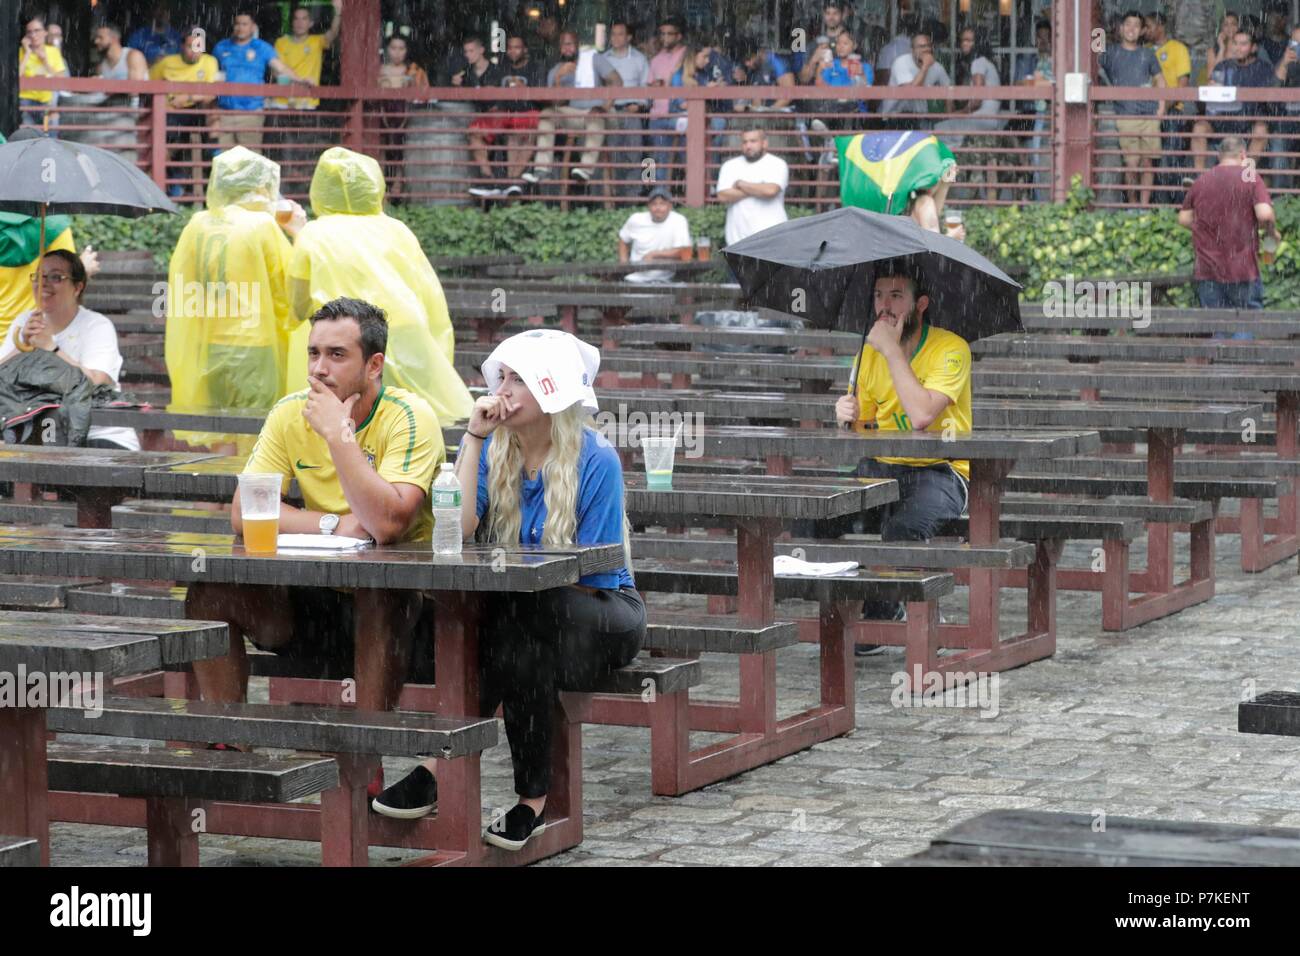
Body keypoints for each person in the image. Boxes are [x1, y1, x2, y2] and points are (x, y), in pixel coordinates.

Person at [373, 329, 643, 852]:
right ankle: (530, 803)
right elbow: (463, 526)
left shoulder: (597, 459)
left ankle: (439, 767)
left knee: (521, 623)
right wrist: (473, 438)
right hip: (532, 625)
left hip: (606, 613)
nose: (504, 389)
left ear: (551, 392)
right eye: (504, 377)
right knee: (516, 644)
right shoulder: (497, 450)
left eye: (519, 379)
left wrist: (524, 589)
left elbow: (597, 574)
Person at [187, 298, 443, 736]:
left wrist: (338, 435)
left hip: (408, 612)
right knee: (209, 593)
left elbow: (386, 525)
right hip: (313, 593)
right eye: (314, 353)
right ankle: (227, 744)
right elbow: (244, 511)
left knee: (378, 591)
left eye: (337, 355)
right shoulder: (289, 413)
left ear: (374, 364)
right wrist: (331, 523)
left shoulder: (409, 416)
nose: (319, 369)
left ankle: (366, 756)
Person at [829, 265, 971, 636]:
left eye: (896, 296)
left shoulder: (951, 348)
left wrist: (892, 351)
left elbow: (922, 415)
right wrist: (846, 417)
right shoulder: (868, 353)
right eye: (878, 296)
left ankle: (891, 618)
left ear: (920, 303)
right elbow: (863, 430)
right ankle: (834, 626)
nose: (884, 306)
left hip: (941, 469)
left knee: (903, 529)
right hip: (882, 464)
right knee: (818, 516)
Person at [287, 147, 473, 427]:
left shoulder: (313, 234)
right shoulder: (397, 230)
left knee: (351, 420)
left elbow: (299, 306)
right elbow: (428, 294)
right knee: (406, 419)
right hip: (406, 336)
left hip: (348, 344)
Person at [165, 147, 299, 452]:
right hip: (254, 347)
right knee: (256, 440)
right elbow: (287, 286)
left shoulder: (198, 224)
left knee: (222, 436)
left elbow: (184, 285)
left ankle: (217, 498)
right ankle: (242, 501)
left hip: (211, 346)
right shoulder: (261, 225)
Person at [0, 249, 140, 451]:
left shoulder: (97, 326)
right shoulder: (24, 322)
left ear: (77, 287)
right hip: (44, 437)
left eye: (56, 277)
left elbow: (94, 381)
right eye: (39, 276)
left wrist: (51, 347)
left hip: (99, 436)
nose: (44, 283)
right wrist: (23, 346)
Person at [1179, 136, 1279, 315]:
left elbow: (1184, 219)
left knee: (1217, 324)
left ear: (1220, 156)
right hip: (1242, 268)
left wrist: (1209, 226)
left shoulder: (1202, 180)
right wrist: (1270, 229)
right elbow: (1264, 214)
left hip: (1207, 269)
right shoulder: (1250, 179)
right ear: (1242, 154)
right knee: (1247, 323)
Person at [522, 31, 624, 187]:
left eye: (569, 44)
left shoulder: (593, 58)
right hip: (576, 115)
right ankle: (542, 170)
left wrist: (604, 106)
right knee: (547, 114)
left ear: (577, 45)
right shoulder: (556, 69)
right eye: (563, 45)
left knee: (595, 116)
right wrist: (558, 79)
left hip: (602, 112)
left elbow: (617, 81)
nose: (566, 49)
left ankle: (585, 169)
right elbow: (557, 102)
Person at [1099, 11, 1167, 207]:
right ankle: (1132, 204)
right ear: (1120, 28)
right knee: (1131, 164)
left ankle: (1144, 207)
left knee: (1147, 164)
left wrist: (1161, 108)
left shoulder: (1148, 53)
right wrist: (1095, 28)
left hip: (1149, 114)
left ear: (1142, 30)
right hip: (1126, 114)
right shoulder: (1110, 52)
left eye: (1136, 26)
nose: (1131, 29)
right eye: (1127, 24)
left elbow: (1160, 80)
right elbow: (1092, 62)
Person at [212, 9, 300, 151]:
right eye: (237, 24)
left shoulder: (262, 48)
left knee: (250, 158)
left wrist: (301, 80)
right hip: (225, 111)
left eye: (245, 24)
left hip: (251, 111)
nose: (240, 27)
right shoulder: (221, 47)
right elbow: (211, 74)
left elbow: (280, 68)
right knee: (225, 160)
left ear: (253, 26)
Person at [466, 34, 543, 196]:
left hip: (527, 112)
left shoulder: (535, 68)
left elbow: (542, 97)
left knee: (527, 134)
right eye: (509, 48)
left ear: (525, 50)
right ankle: (487, 179)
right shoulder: (500, 67)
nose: (513, 51)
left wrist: (526, 91)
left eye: (517, 47)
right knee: (474, 131)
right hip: (502, 113)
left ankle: (512, 181)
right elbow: (490, 92)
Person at [1192, 29, 1275, 172]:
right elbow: (1208, 103)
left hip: (1249, 124)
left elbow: (1270, 100)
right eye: (1235, 43)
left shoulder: (1264, 69)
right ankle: (1200, 178)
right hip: (1221, 123)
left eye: (1243, 44)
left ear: (1254, 47)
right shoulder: (1222, 66)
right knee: (1199, 128)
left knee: (1261, 129)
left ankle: (1245, 174)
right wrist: (1211, 89)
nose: (1238, 48)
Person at [150, 29, 220, 200]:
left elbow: (211, 92)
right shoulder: (167, 62)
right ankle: (173, 187)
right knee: (168, 143)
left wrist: (187, 97)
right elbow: (148, 83)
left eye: (198, 46)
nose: (193, 50)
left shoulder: (209, 62)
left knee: (212, 116)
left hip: (198, 110)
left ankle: (214, 168)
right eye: (190, 46)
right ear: (182, 46)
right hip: (172, 111)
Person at [376, 34, 430, 200]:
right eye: (393, 48)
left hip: (404, 112)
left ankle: (398, 188)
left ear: (406, 51)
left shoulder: (413, 70)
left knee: (401, 150)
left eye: (401, 48)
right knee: (384, 149)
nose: (397, 53)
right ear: (387, 50)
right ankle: (382, 189)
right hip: (383, 112)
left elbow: (424, 93)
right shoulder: (379, 71)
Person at [1146, 12, 1192, 198]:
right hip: (1149, 112)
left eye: (1148, 26)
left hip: (1173, 112)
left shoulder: (1178, 48)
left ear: (1160, 26)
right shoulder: (1145, 50)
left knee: (1170, 159)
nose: (1144, 30)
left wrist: (1164, 107)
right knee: (1149, 159)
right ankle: (1155, 204)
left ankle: (1171, 203)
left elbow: (1182, 86)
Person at [716, 128, 789, 246]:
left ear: (764, 143)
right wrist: (759, 188)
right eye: (745, 142)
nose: (748, 146)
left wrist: (741, 184)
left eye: (753, 141)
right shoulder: (729, 166)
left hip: (773, 238)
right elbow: (722, 196)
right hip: (737, 241)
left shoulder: (777, 164)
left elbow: (771, 191)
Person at [605, 22, 652, 196]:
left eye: (619, 34)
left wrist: (639, 104)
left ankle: (633, 195)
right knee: (613, 155)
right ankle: (615, 195)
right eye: (613, 34)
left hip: (632, 111)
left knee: (634, 154)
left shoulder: (639, 59)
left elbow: (646, 87)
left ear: (629, 37)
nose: (615, 38)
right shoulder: (604, 59)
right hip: (611, 112)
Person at [270, 1, 342, 112]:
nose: (300, 23)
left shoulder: (317, 41)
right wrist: (300, 81)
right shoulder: (281, 43)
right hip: (282, 103)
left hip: (307, 103)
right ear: (292, 22)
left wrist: (338, 13)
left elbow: (333, 33)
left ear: (311, 23)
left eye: (304, 19)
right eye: (296, 19)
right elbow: (277, 72)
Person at [618, 185, 692, 284]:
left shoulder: (678, 220)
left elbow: (683, 251)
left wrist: (654, 254)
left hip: (665, 280)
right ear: (648, 206)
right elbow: (623, 239)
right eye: (654, 204)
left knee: (685, 290)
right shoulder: (636, 219)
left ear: (670, 206)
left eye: (662, 204)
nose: (658, 208)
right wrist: (624, 263)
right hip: (635, 278)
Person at [645, 18, 689, 185]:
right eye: (662, 34)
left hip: (681, 113)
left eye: (669, 34)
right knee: (657, 160)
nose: (664, 37)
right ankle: (658, 195)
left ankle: (693, 202)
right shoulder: (656, 59)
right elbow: (649, 88)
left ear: (679, 36)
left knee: (690, 158)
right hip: (658, 116)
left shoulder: (688, 55)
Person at [879, 31, 952, 123]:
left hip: (920, 117)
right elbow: (910, 92)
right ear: (912, 50)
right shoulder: (901, 62)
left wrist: (949, 117)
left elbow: (949, 92)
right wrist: (925, 67)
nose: (926, 49)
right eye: (921, 47)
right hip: (894, 117)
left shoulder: (936, 67)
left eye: (928, 46)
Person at [19, 17, 69, 134]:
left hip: (47, 104)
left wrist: (45, 61)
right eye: (29, 32)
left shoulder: (52, 51)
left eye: (37, 30)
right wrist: (27, 53)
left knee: (49, 135)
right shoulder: (21, 51)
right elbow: (15, 78)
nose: (33, 35)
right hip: (26, 103)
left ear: (45, 32)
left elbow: (62, 79)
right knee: (28, 137)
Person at [813, 30, 873, 125]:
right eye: (838, 43)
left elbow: (866, 97)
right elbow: (820, 90)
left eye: (845, 43)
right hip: (832, 111)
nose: (840, 47)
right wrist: (820, 69)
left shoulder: (864, 67)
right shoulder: (831, 64)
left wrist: (861, 75)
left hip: (855, 115)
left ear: (854, 46)